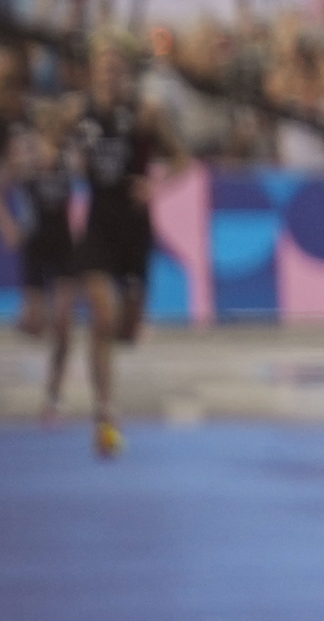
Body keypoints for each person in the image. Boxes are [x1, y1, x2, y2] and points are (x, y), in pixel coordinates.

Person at [70, 43, 181, 460]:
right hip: (99, 225)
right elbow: (46, 140)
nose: (110, 77)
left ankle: (109, 350)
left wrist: (156, 183)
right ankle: (105, 412)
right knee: (102, 315)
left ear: (126, 75)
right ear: (93, 74)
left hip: (134, 229)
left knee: (127, 330)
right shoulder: (78, 113)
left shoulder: (146, 113)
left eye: (116, 69)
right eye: (103, 69)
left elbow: (183, 159)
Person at [6, 98, 79, 424]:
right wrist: (8, 226)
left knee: (63, 325)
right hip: (35, 244)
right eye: (45, 126)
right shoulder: (25, 156)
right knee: (36, 324)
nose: (51, 132)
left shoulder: (70, 156)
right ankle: (24, 322)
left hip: (62, 243)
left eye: (56, 127)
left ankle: (53, 395)